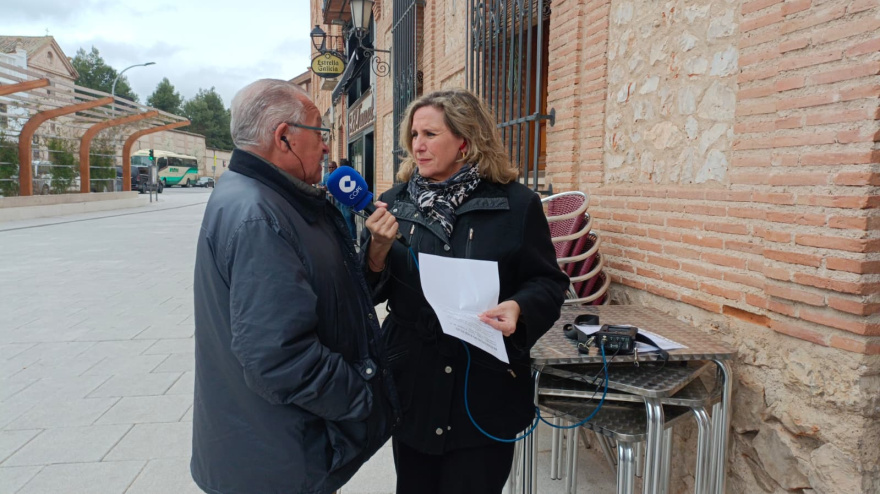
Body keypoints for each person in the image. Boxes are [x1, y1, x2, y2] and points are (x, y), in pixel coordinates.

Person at [191, 79, 398, 494]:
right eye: (320, 133)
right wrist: (363, 396)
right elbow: (278, 358)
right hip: (280, 460)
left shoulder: (266, 195)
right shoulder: (259, 215)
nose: (326, 146)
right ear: (283, 136)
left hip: (272, 450)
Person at [362, 88, 569, 493]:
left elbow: (548, 282)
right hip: (414, 383)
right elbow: (366, 292)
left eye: (430, 134)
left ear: (465, 140)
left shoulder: (517, 204)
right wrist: (376, 250)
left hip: (485, 387)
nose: (418, 146)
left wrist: (519, 307)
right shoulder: (393, 204)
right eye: (414, 135)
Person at [321, 159, 358, 241]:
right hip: (337, 201)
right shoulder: (328, 176)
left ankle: (352, 238)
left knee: (348, 219)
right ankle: (344, 236)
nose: (331, 169)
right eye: (329, 167)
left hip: (348, 200)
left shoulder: (353, 174)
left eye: (333, 167)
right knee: (340, 219)